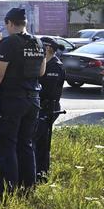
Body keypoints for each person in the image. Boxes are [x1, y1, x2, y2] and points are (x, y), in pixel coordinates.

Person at [0, 7, 46, 198]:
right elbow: (40, 72)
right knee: (26, 145)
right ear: (24, 23)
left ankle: (6, 193)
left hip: (11, 101)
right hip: (33, 100)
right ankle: (27, 190)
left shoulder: (8, 43)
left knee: (7, 147)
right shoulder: (38, 42)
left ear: (9, 23)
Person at [33, 37, 66, 182]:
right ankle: (37, 172)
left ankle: (41, 174)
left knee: (40, 142)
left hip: (48, 109)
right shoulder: (45, 63)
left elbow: (48, 91)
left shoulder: (54, 66)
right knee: (37, 141)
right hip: (41, 107)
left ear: (48, 48)